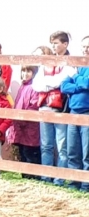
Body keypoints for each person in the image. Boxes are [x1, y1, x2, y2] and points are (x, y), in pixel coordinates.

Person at [32, 30, 75, 185]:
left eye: (56, 43)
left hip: (61, 108)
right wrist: (49, 83)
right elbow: (36, 85)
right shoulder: (47, 62)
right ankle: (46, 176)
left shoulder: (71, 62)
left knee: (62, 146)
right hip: (44, 107)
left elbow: (61, 80)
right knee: (46, 145)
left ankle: (59, 179)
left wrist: (47, 83)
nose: (53, 46)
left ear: (65, 44)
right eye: (52, 43)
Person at [60, 35, 89, 191]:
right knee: (73, 151)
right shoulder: (77, 64)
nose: (86, 49)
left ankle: (86, 185)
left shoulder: (76, 70)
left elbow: (87, 82)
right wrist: (79, 85)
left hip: (87, 113)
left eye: (88, 47)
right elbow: (64, 86)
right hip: (73, 112)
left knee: (87, 152)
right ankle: (73, 183)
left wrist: (75, 77)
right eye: (84, 46)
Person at [12, 65, 42, 179]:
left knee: (30, 154)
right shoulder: (22, 86)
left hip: (30, 127)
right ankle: (25, 177)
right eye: (23, 71)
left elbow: (33, 106)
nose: (25, 74)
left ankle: (33, 178)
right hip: (20, 127)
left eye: (28, 71)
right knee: (22, 153)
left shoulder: (34, 87)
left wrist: (21, 120)